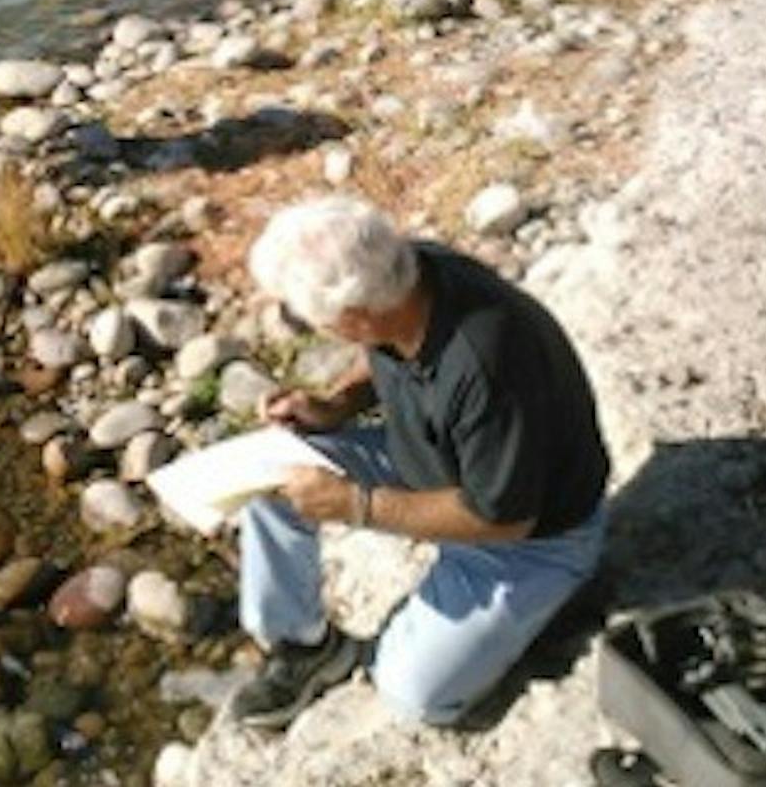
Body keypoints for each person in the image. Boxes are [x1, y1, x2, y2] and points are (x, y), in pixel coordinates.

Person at [226, 195, 610, 730]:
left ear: (354, 319)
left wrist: (355, 506)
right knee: (266, 478)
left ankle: (551, 604)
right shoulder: (403, 273)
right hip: (432, 460)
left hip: (529, 539)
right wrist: (338, 404)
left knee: (414, 696)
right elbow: (381, 354)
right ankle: (307, 645)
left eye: (309, 317)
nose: (303, 324)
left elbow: (504, 518)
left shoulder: (487, 365)